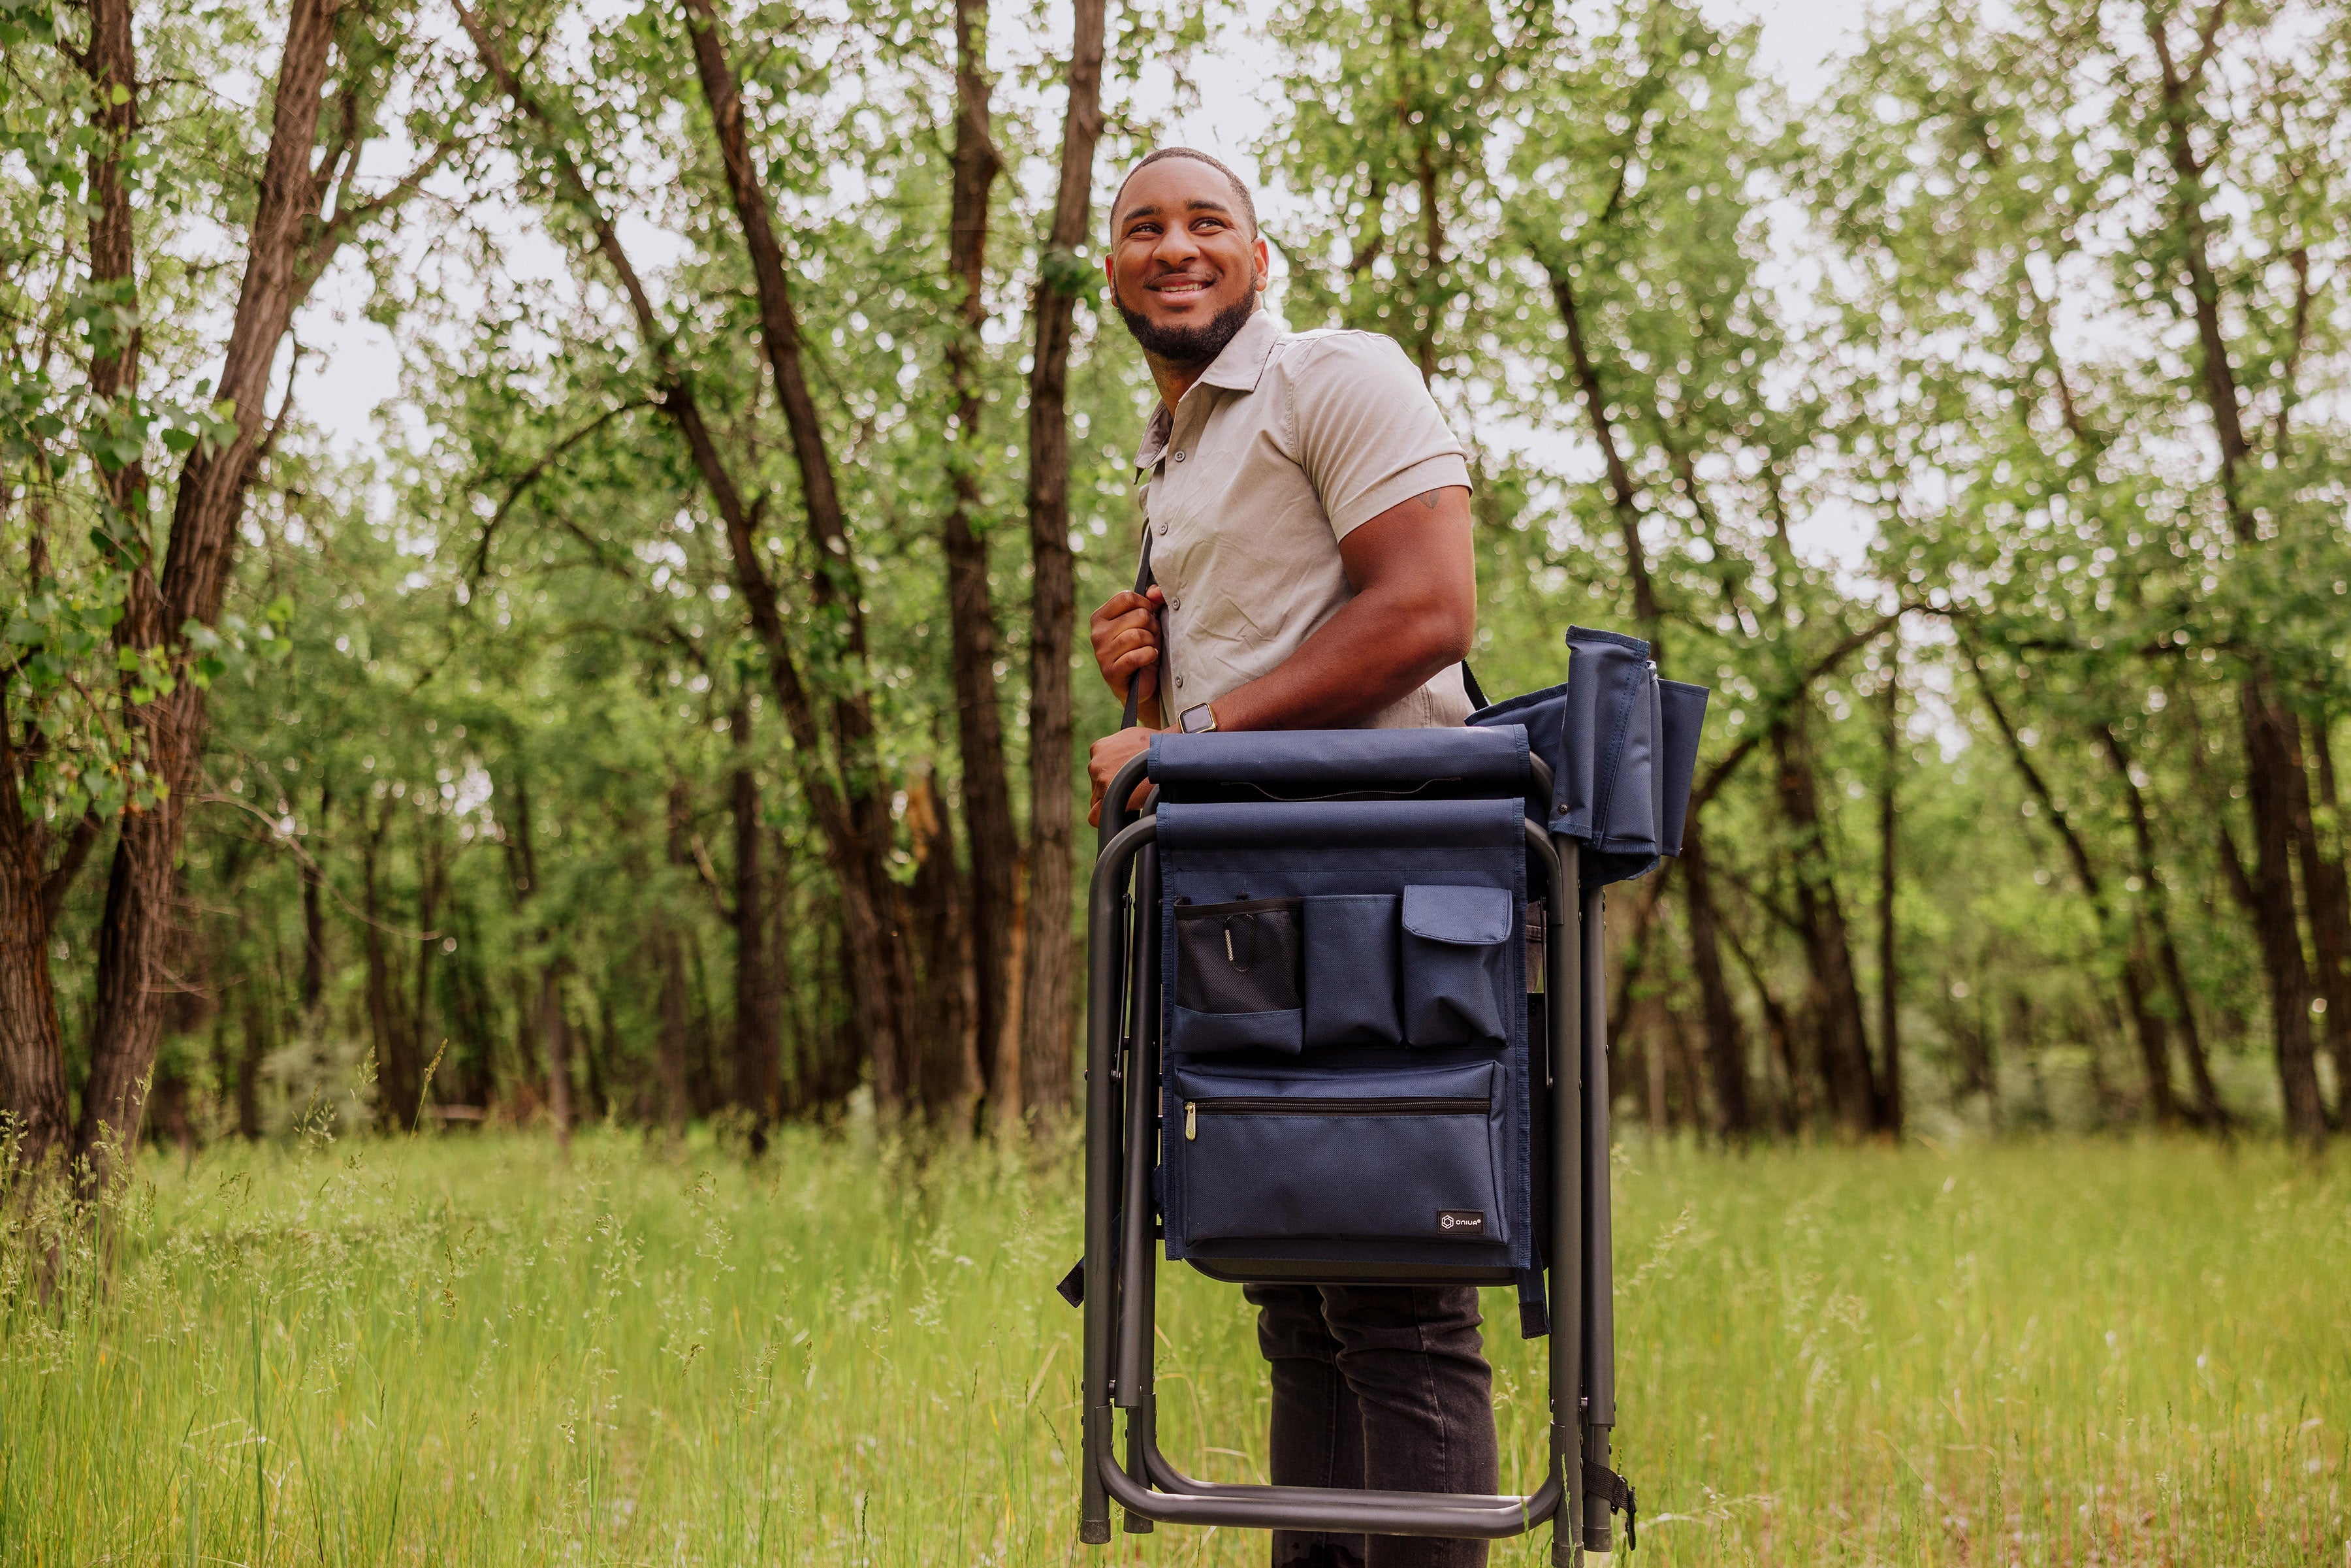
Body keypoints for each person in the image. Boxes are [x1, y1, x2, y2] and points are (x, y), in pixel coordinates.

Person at [1083, 146, 1495, 1568]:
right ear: (1114, 272)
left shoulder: (1336, 375)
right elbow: (1248, 692)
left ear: (1261, 257)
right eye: (1143, 227)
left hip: (1383, 893)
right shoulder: (1173, 452)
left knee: (1400, 1294)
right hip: (1245, 901)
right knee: (1300, 1295)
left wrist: (1182, 735)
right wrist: (1143, 695)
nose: (1175, 244)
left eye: (1208, 221)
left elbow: (1429, 608)